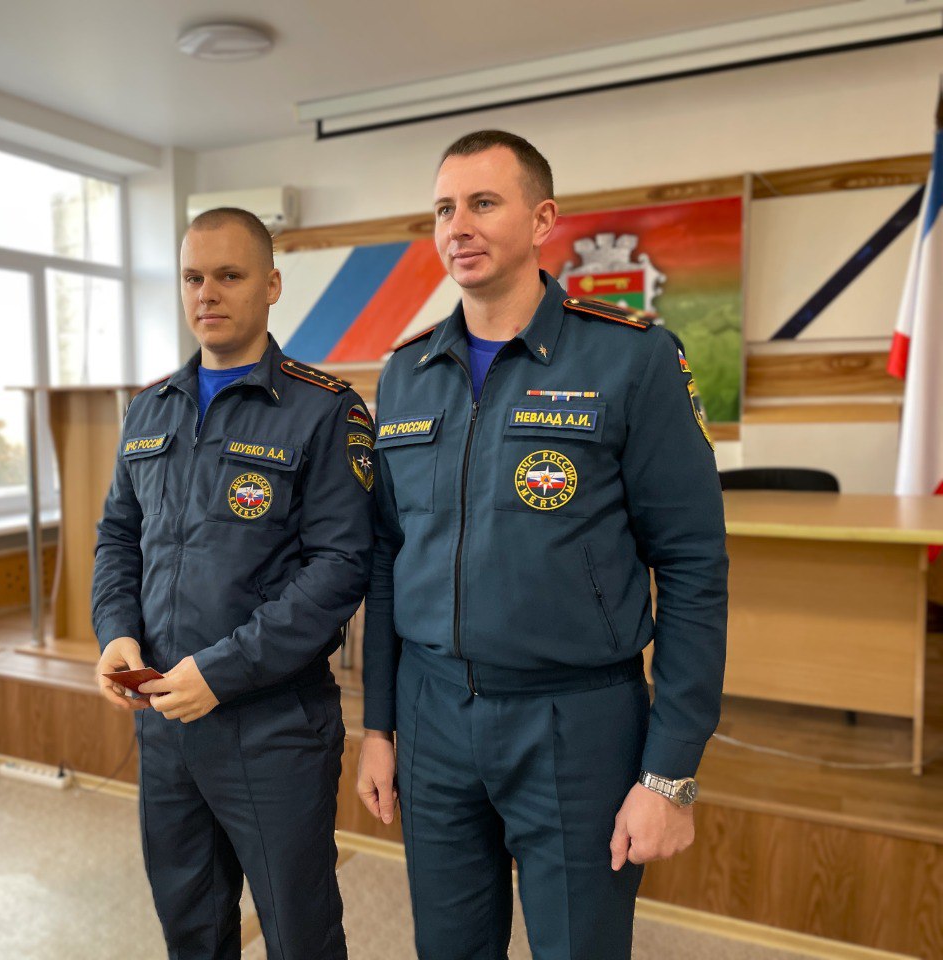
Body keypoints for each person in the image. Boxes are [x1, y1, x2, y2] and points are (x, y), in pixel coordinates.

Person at [356, 130, 728, 960]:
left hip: (576, 719)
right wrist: (377, 724)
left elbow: (696, 567)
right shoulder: (406, 374)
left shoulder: (631, 359)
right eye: (445, 208)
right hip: (430, 715)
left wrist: (669, 773)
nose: (460, 225)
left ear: (543, 218)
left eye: (484, 203)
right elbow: (386, 559)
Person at [92, 207, 374, 960]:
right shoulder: (149, 409)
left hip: (272, 725)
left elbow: (341, 568)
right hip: (165, 721)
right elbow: (119, 537)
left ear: (272, 284)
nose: (207, 293)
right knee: (190, 925)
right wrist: (116, 631)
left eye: (229, 275)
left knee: (298, 933)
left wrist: (222, 672)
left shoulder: (323, 410)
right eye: (193, 276)